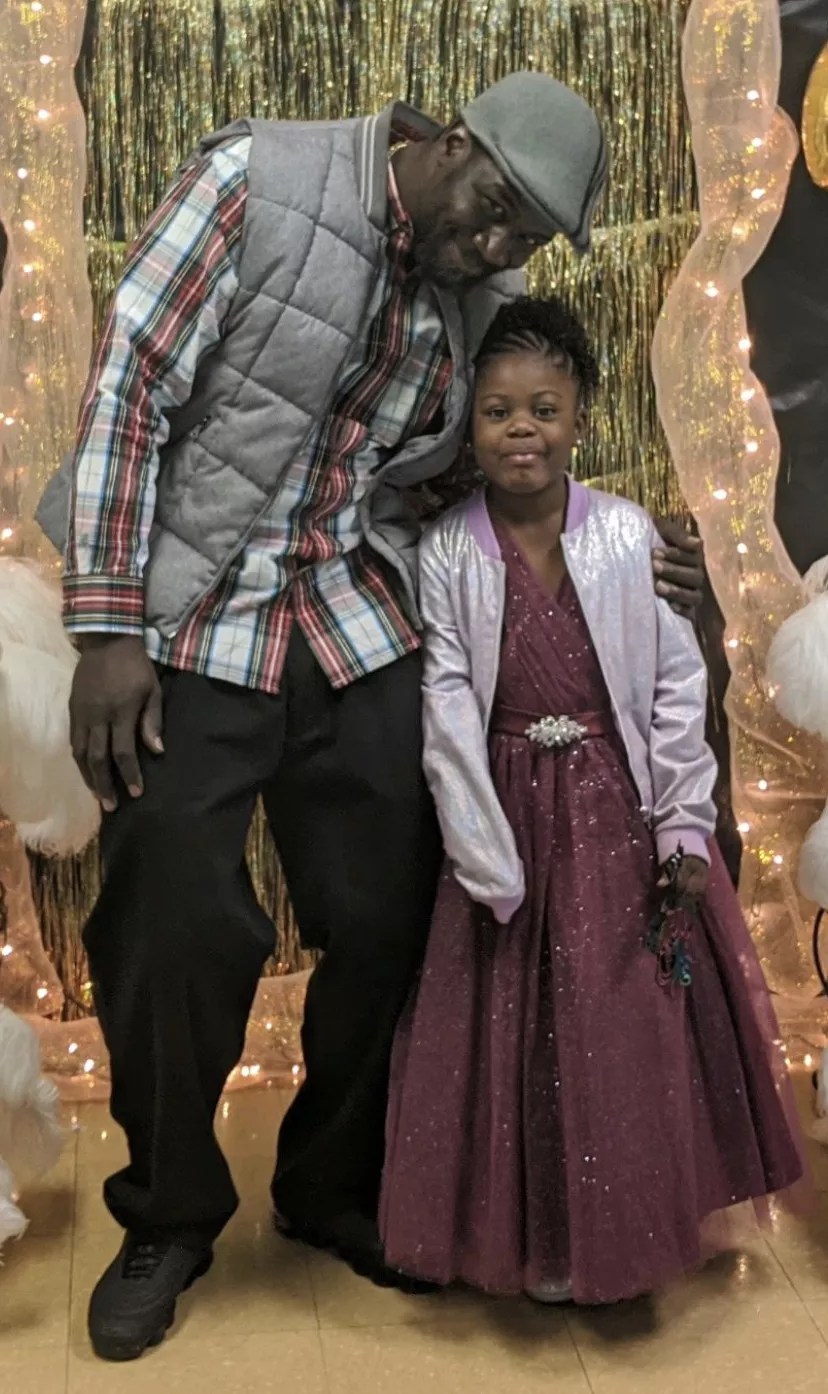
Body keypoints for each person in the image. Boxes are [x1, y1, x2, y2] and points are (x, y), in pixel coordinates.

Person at [36, 75, 704, 1361]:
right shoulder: (255, 182)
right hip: (193, 609)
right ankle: (168, 1212)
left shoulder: (481, 295)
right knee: (171, 910)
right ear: (446, 141)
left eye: (522, 237)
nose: (495, 245)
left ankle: (330, 1181)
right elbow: (129, 388)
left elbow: (479, 466)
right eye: (492, 209)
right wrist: (109, 627)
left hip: (352, 608)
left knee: (407, 893)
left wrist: (626, 543)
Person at [379, 295, 806, 1305]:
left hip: (616, 815)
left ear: (580, 419)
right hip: (504, 812)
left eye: (544, 409)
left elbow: (674, 686)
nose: (521, 430)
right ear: (470, 424)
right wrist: (479, 842)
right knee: (510, 1025)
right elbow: (447, 700)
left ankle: (626, 1225)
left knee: (617, 1018)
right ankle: (537, 1236)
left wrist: (683, 820)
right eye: (498, 411)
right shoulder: (448, 548)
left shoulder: (626, 535)